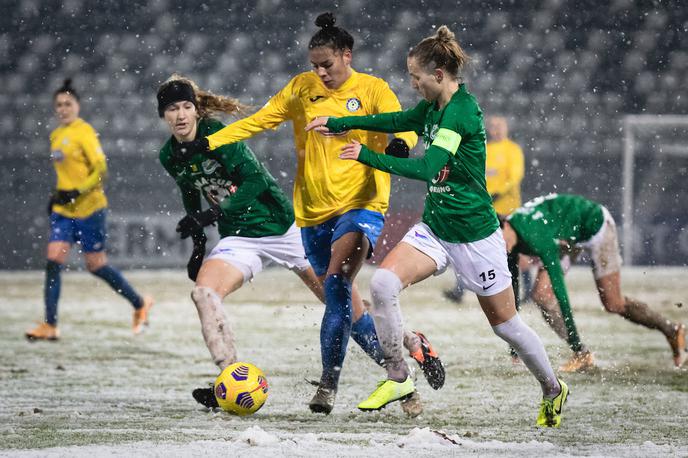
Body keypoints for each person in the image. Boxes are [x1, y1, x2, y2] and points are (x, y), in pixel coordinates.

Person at [171, 13, 444, 415]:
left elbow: (402, 123)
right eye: (314, 64)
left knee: (335, 288)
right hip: (311, 214)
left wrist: (400, 144)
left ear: (346, 56)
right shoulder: (303, 88)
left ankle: (330, 386)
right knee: (346, 308)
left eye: (326, 65)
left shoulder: (372, 89)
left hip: (359, 207)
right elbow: (262, 120)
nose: (319, 72)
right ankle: (405, 360)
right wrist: (214, 141)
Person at [306, 25, 568, 427]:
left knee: (507, 326)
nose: (412, 84)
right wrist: (342, 121)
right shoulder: (430, 108)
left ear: (439, 75)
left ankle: (553, 388)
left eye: (416, 77)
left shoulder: (460, 112)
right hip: (435, 229)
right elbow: (394, 118)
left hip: (475, 236)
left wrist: (365, 156)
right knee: (382, 285)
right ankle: (397, 374)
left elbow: (429, 168)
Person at [26, 79, 153, 341]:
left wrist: (77, 190)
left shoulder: (84, 132)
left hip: (89, 209)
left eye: (68, 104)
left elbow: (100, 170)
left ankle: (140, 303)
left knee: (96, 266)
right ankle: (50, 325)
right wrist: (58, 194)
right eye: (59, 104)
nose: (63, 108)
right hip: (64, 211)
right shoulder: (56, 135)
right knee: (53, 263)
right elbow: (66, 172)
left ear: (78, 106)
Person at [502, 193, 686, 371]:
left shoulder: (535, 235)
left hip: (595, 226)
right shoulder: (511, 237)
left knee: (613, 304)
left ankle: (671, 330)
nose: (494, 247)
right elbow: (512, 290)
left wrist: (573, 344)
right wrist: (514, 347)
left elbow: (560, 291)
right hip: (566, 235)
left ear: (503, 226)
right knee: (542, 295)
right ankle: (583, 354)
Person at [443, 115, 526, 303]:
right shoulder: (484, 149)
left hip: (507, 208)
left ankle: (523, 292)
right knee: (469, 246)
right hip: (484, 208)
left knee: (512, 250)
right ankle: (460, 289)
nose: (496, 129)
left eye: (499, 125)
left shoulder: (512, 150)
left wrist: (497, 193)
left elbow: (515, 177)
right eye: (493, 125)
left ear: (506, 128)